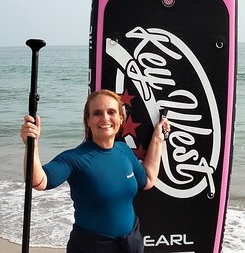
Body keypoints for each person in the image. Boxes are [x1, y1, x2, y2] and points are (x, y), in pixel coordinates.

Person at [20, 89, 169, 253]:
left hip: (130, 244)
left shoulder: (124, 150)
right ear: (88, 121)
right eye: (97, 113)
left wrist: (157, 139)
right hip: (91, 247)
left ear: (121, 118)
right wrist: (31, 146)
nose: (105, 118)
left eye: (111, 112)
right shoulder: (75, 158)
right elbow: (39, 181)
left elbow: (147, 179)